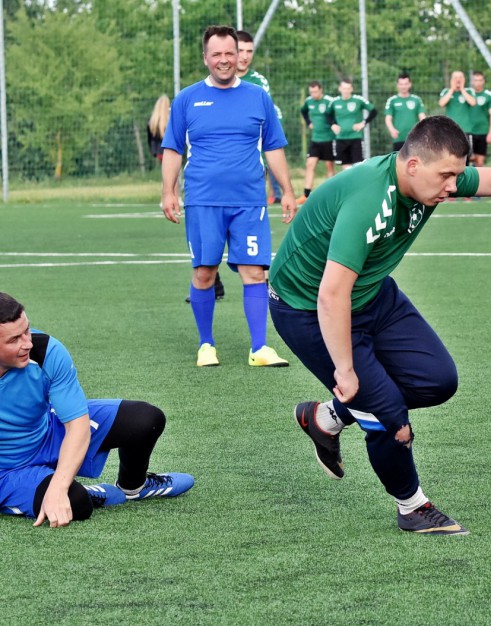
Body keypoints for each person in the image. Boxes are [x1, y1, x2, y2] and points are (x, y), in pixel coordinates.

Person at [267, 116, 491, 535]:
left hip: (371, 294)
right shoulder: (370, 200)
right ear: (413, 165)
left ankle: (326, 418)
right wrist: (345, 370)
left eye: (457, 176)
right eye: (446, 176)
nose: (453, 186)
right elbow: (330, 295)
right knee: (389, 417)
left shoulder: (434, 174)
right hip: (308, 309)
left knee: (437, 380)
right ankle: (412, 507)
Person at [161, 25, 296, 368]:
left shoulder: (258, 97)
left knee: (255, 273)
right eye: (216, 54)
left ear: (240, 56)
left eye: (229, 54)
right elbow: (173, 148)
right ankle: (206, 345)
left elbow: (274, 147)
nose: (224, 60)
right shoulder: (188, 98)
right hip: (203, 201)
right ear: (205, 58)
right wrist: (168, 191)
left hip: (250, 201)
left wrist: (289, 191)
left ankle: (260, 348)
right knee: (205, 272)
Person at [0, 292, 194, 528]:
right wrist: (63, 491)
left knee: (145, 419)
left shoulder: (44, 350)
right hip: (7, 471)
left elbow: (77, 424)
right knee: (77, 503)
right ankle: (82, 492)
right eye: (14, 340)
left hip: (49, 432)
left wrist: (59, 486)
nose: (28, 343)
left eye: (27, 330)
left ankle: (133, 487)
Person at [235, 30, 284, 206]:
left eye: (249, 51)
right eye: (240, 50)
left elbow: (261, 120)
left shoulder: (259, 82)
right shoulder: (218, 80)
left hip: (250, 161)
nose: (245, 56)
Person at [299, 80, 337, 203]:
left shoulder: (329, 101)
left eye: (315, 91)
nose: (313, 94)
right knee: (310, 164)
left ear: (321, 90)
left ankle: (331, 193)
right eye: (311, 92)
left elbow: (336, 116)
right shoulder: (309, 101)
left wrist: (334, 125)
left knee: (329, 166)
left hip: (329, 139)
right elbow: (303, 111)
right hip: (315, 140)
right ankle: (306, 195)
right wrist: (309, 122)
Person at [328, 78, 376, 170]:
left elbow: (373, 111)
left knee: (358, 165)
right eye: (344, 88)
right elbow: (327, 115)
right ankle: (349, 183)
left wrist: (364, 123)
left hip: (355, 137)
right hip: (341, 138)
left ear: (351, 89)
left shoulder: (358, 100)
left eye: (348, 88)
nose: (346, 91)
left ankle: (359, 183)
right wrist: (333, 124)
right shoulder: (334, 102)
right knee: (346, 167)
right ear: (340, 89)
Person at [438, 71, 476, 164]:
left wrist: (462, 89)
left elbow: (473, 102)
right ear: (451, 80)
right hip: (450, 130)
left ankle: (466, 176)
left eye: (460, 77)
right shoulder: (446, 91)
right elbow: (441, 103)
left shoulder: (469, 91)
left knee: (466, 156)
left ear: (464, 79)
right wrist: (452, 89)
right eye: (455, 78)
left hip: (466, 129)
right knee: (450, 155)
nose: (458, 80)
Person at [384, 72, 426, 153]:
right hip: (398, 138)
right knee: (399, 163)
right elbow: (388, 118)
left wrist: (424, 129)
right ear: (397, 85)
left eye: (406, 84)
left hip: (415, 138)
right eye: (401, 84)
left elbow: (422, 116)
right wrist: (391, 129)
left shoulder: (416, 100)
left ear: (410, 84)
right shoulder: (392, 100)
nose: (403, 86)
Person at [469, 71, 491, 167]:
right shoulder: (467, 94)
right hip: (470, 131)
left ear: (483, 81)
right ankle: (466, 180)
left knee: (480, 162)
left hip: (483, 131)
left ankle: (479, 181)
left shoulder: (488, 95)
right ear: (472, 81)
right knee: (469, 158)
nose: (478, 82)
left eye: (480, 80)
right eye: (475, 80)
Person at [147, 95, 170, 163]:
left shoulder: (152, 122)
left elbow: (150, 140)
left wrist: (153, 152)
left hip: (158, 152)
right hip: (169, 151)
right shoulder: (170, 121)